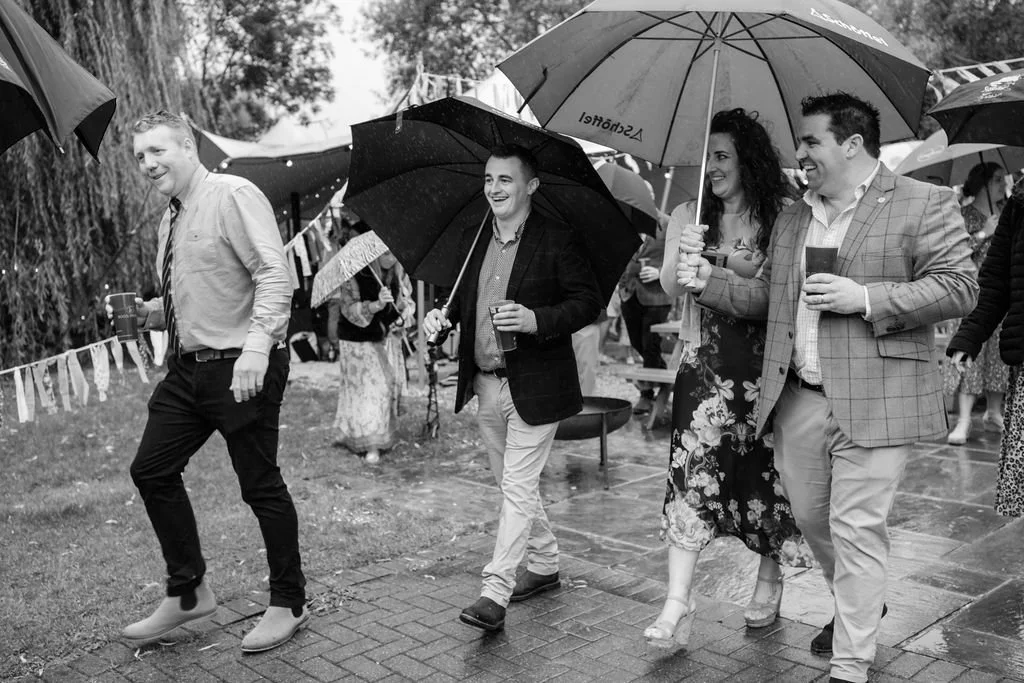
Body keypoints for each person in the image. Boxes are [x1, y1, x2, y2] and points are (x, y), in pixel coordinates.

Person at [675, 93, 977, 683]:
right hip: (799, 399)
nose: (801, 153)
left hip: (880, 397)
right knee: (814, 521)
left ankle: (850, 663)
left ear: (852, 144)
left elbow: (960, 286)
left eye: (811, 141)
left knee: (857, 528)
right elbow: (768, 297)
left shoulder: (923, 201)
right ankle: (862, 600)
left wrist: (864, 298)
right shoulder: (793, 216)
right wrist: (708, 281)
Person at [121, 111, 308, 653]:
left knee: (260, 486)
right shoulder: (170, 219)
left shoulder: (232, 195)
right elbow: (199, 294)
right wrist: (152, 314)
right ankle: (188, 592)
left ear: (187, 146)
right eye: (140, 156)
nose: (148, 163)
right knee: (151, 469)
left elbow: (273, 274)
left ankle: (289, 601)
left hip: (243, 366)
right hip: (188, 370)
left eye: (157, 150)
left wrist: (256, 349)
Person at [646, 108, 812, 650]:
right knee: (691, 475)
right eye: (708, 156)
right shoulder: (688, 212)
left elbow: (778, 292)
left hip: (767, 371)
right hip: (704, 369)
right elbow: (670, 286)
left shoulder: (782, 215)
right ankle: (678, 601)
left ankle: (769, 578)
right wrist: (685, 250)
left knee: (769, 479)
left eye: (723, 156)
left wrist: (717, 270)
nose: (713, 167)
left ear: (748, 160)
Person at [421, 143, 602, 632]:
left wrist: (534, 319)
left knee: (518, 488)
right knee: (512, 486)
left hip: (536, 385)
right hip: (485, 384)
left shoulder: (557, 237)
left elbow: (587, 303)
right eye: (488, 179)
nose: (494, 188)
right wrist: (441, 317)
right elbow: (459, 302)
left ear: (531, 186)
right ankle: (544, 563)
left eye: (505, 180)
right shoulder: (473, 239)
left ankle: (494, 592)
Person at [947, 179, 1024, 516]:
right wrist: (970, 335)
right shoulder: (1019, 201)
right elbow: (995, 280)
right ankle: (966, 420)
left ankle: (989, 413)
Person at [944, 162, 1008, 444]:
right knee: (971, 354)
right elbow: (953, 253)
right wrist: (984, 233)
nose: (1002, 185)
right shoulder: (963, 214)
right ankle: (965, 420)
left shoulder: (1006, 212)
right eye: (997, 179)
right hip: (971, 296)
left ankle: (993, 413)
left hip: (1001, 296)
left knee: (998, 356)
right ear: (983, 183)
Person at [332, 250, 414, 463]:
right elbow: (348, 309)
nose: (391, 259)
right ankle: (371, 445)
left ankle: (374, 437)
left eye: (394, 254)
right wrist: (376, 304)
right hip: (356, 340)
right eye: (385, 254)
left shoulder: (396, 275)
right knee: (369, 390)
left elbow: (402, 305)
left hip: (382, 338)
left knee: (380, 388)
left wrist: (402, 314)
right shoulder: (357, 274)